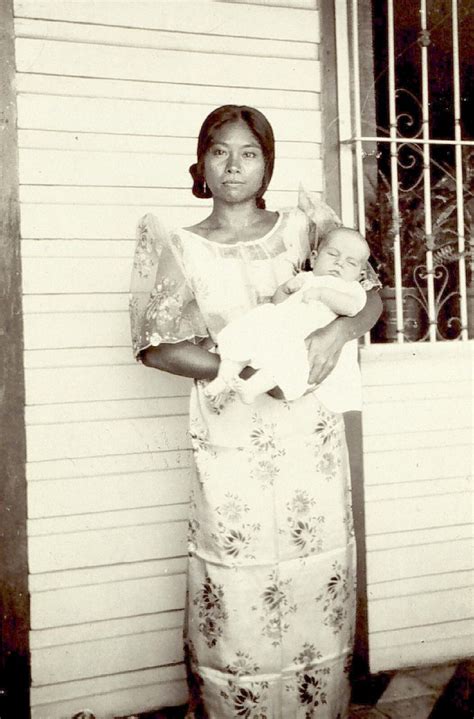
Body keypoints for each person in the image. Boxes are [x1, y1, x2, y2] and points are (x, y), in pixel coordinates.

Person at [129, 105, 382, 719]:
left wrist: (335, 336)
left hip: (310, 437)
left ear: (267, 162)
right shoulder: (180, 244)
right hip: (232, 437)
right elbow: (155, 346)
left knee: (313, 570)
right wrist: (241, 373)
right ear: (202, 161)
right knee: (236, 582)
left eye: (249, 152)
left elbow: (368, 296)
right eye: (220, 150)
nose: (234, 164)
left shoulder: (303, 230)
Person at [204, 227, 372, 407]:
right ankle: (225, 376)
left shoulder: (351, 289)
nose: (339, 263)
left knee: (288, 361)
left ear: (360, 274)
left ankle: (252, 388)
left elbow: (351, 308)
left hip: (307, 337)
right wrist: (285, 290)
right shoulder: (306, 278)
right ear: (314, 259)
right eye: (333, 255)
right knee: (248, 333)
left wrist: (322, 294)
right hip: (281, 326)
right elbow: (279, 303)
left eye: (351, 263)